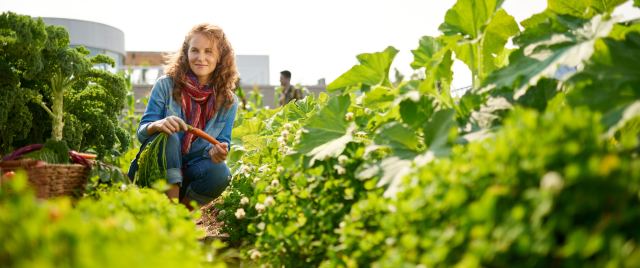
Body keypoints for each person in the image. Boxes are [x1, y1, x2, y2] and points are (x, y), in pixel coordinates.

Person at [128, 23, 239, 207]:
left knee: (221, 173)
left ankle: (182, 216)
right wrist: (158, 124)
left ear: (220, 57)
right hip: (157, 169)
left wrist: (216, 153)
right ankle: (170, 211)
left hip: (191, 173)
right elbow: (141, 133)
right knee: (169, 136)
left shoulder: (228, 101)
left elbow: (222, 143)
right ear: (186, 53)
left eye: (208, 51)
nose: (200, 57)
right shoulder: (165, 85)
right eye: (195, 50)